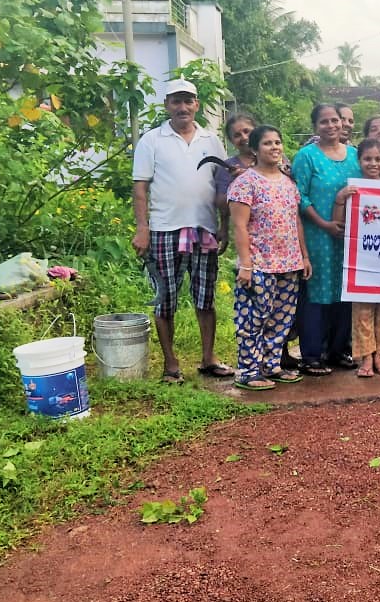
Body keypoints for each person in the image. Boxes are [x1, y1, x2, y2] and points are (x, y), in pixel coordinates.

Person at [131, 78, 233, 384]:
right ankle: (171, 364)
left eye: (188, 101)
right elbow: (140, 188)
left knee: (206, 298)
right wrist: (142, 228)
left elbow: (224, 186)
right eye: (176, 101)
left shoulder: (211, 140)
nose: (183, 107)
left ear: (197, 105)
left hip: (205, 229)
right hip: (164, 231)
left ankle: (208, 359)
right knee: (166, 300)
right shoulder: (152, 140)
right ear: (166, 105)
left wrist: (224, 227)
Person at [227, 125, 312, 390]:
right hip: (259, 264)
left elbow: (295, 221)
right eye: (267, 143)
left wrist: (304, 257)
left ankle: (271, 365)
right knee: (253, 318)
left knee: (282, 318)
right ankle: (248, 370)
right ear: (254, 149)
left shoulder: (289, 184)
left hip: (289, 262)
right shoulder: (245, 183)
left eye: (278, 142)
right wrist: (245, 264)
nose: (274, 148)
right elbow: (239, 226)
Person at [292, 103, 361, 375]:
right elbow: (299, 197)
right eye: (324, 122)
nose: (332, 126)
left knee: (345, 291)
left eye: (335, 121)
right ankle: (312, 354)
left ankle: (338, 350)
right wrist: (324, 224)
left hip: (350, 237)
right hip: (317, 235)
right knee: (317, 293)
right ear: (315, 127)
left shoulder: (355, 155)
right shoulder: (306, 157)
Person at [331, 139, 380, 378]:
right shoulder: (353, 189)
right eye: (368, 159)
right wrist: (340, 198)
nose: (373, 163)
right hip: (361, 260)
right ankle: (365, 357)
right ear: (359, 161)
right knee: (362, 309)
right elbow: (339, 224)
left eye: (378, 159)